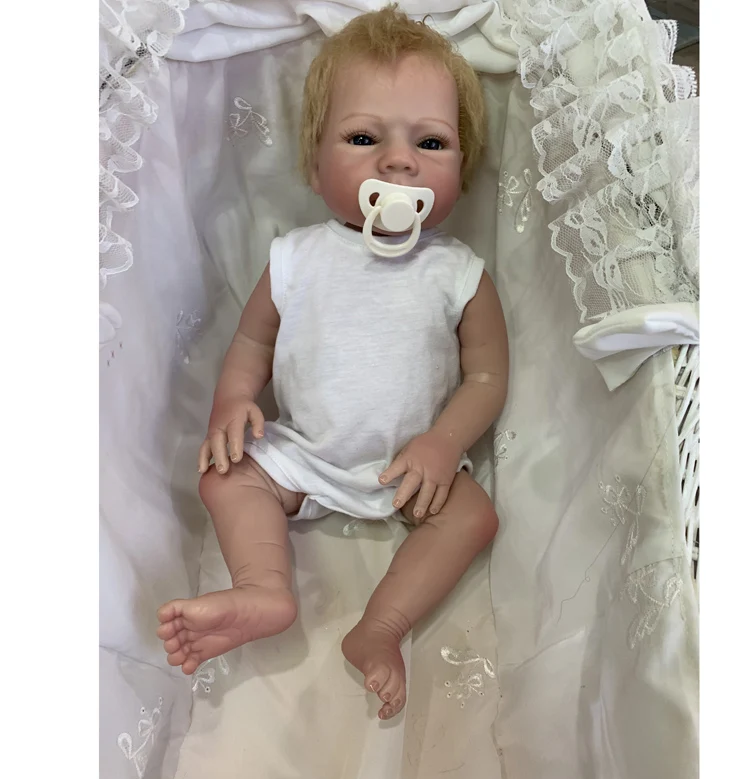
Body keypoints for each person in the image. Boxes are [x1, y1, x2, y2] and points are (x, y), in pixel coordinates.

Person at [157, 4, 509, 722]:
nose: (398, 161)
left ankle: (381, 626)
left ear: (462, 168)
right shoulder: (296, 257)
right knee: (224, 476)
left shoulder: (459, 272)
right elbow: (252, 344)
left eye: (431, 142)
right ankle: (263, 587)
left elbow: (486, 377)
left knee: (474, 517)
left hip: (411, 468)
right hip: (303, 454)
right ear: (315, 167)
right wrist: (234, 401)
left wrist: (444, 443)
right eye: (363, 138)